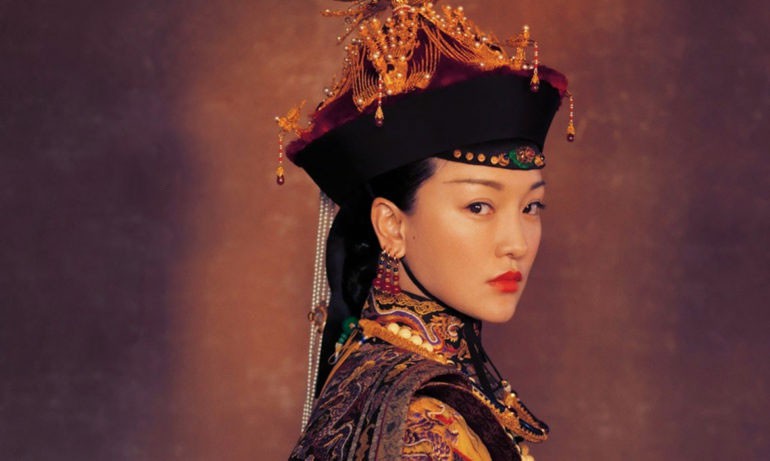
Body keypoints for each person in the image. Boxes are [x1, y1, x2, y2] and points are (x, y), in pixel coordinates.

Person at [276, 1, 574, 459]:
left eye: (531, 206)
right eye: (479, 206)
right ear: (391, 225)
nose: (516, 243)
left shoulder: (372, 365)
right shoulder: (424, 423)